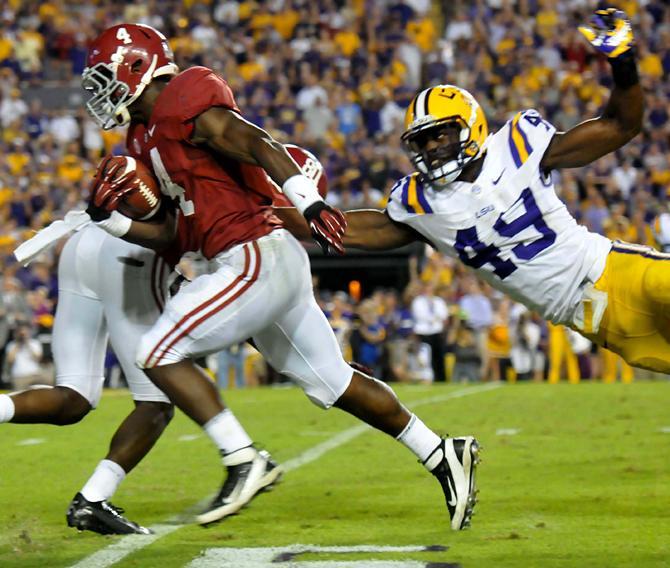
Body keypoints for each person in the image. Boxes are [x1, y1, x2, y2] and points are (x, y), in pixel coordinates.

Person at [81, 24, 480, 530]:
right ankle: (442, 453)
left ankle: (244, 458)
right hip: (254, 260)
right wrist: (110, 220)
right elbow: (169, 235)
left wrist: (308, 200)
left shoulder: (185, 98)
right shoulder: (142, 137)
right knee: (332, 381)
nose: (100, 91)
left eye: (104, 76)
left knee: (158, 352)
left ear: (136, 66)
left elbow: (255, 140)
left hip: (253, 253)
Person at [283, 10, 664, 375]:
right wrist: (274, 210)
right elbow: (337, 228)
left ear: (470, 125)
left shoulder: (518, 145)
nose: (431, 147)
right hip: (592, 319)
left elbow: (620, 126)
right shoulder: (421, 203)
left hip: (615, 271)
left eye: (440, 134)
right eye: (422, 141)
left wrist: (623, 62)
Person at [2, 224, 279, 534]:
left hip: (82, 241)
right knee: (157, 400)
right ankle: (239, 453)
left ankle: (89, 500)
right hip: (130, 250)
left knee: (74, 397)